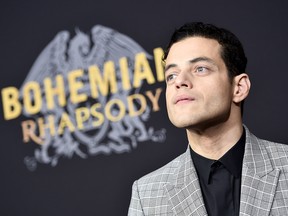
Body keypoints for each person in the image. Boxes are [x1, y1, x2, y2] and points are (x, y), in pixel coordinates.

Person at [128, 22, 288, 216]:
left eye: (200, 69)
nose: (180, 81)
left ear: (239, 88)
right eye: (171, 75)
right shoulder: (146, 194)